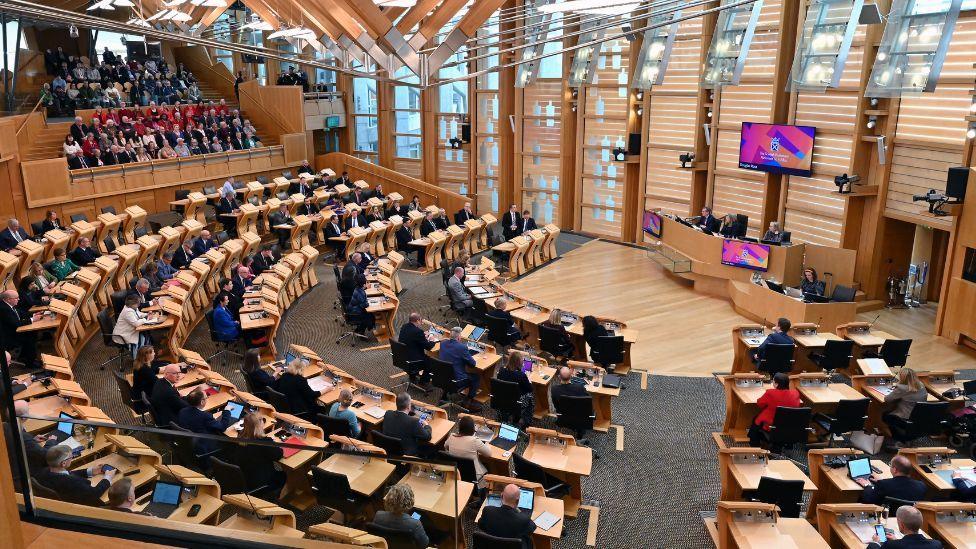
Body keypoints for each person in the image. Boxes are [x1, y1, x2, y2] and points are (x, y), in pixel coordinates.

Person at [34, 445, 116, 506]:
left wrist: (90, 471)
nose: (72, 457)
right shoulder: (73, 482)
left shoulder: (44, 472)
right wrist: (107, 478)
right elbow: (94, 493)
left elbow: (67, 474)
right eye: (70, 457)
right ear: (63, 463)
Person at [232, 412, 286, 496]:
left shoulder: (240, 438)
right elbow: (279, 455)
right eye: (262, 420)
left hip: (247, 479)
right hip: (263, 482)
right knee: (284, 474)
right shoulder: (264, 442)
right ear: (258, 425)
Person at [747, 372, 802, 447]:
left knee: (756, 420)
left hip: (771, 426)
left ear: (776, 384)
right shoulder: (795, 393)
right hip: (788, 427)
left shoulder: (770, 393)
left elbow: (760, 404)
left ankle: (754, 445)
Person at [177, 387, 235, 456]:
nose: (207, 399)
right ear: (202, 402)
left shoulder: (183, 411)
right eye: (206, 398)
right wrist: (227, 411)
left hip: (189, 442)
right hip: (203, 446)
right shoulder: (205, 416)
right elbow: (222, 427)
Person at [478, 483, 536, 549]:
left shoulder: (487, 510)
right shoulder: (523, 519)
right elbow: (533, 527)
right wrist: (518, 510)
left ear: (501, 496)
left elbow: (480, 524)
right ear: (518, 501)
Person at [882, 368, 929, 445]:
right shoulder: (921, 385)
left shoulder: (902, 388)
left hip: (905, 418)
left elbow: (887, 399)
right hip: (919, 418)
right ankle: (907, 436)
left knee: (885, 416)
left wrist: (896, 387)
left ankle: (900, 439)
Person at [439, 327, 482, 409]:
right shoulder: (462, 348)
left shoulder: (443, 343)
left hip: (442, 377)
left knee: (449, 371)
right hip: (456, 380)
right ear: (459, 337)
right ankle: (468, 401)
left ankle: (444, 395)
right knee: (476, 377)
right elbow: (473, 364)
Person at [858, 455, 927, 506]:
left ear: (895, 470)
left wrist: (867, 485)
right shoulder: (921, 486)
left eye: (890, 465)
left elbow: (869, 500)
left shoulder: (884, 485)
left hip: (885, 516)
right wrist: (882, 481)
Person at [382, 392, 433, 457]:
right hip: (405, 454)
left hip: (388, 449)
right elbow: (427, 437)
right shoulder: (413, 421)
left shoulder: (388, 413)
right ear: (409, 407)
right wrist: (426, 425)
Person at [866, 505, 942, 549]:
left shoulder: (891, 545)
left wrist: (875, 543)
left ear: (902, 525)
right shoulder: (936, 545)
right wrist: (898, 541)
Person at [445, 415, 491, 485]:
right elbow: (488, 454)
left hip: (456, 474)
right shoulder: (475, 441)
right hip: (475, 477)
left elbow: (446, 446)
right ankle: (483, 488)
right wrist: (487, 443)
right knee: (489, 466)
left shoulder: (452, 436)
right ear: (472, 429)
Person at [1, 290, 41, 367]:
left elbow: (20, 313)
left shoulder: (9, 305)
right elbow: (16, 324)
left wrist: (33, 315)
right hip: (8, 337)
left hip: (14, 332)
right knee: (30, 338)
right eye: (16, 298)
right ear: (8, 299)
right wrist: (32, 320)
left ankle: (24, 357)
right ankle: (30, 363)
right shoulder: (4, 309)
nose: (19, 299)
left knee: (32, 333)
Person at [497, 352, 535, 429]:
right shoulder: (521, 375)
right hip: (518, 402)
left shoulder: (501, 370)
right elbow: (530, 389)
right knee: (530, 397)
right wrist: (528, 379)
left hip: (502, 399)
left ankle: (505, 417)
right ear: (519, 363)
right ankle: (526, 421)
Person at [397, 313, 435, 384]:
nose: (421, 323)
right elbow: (428, 347)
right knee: (432, 363)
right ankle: (423, 382)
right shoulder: (418, 332)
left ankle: (412, 377)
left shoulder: (404, 326)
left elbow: (411, 336)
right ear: (417, 321)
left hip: (403, 357)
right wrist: (432, 340)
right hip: (414, 359)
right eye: (421, 321)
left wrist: (423, 335)